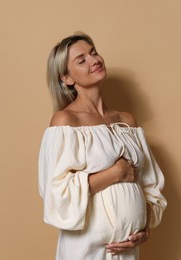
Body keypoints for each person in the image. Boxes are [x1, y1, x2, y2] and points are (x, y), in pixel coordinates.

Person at [38, 32, 167, 260]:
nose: (94, 60)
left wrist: (145, 228)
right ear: (67, 78)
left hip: (127, 249)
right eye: (82, 60)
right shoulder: (66, 122)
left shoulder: (127, 122)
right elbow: (56, 193)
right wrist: (114, 173)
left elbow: (149, 183)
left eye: (93, 52)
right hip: (86, 249)